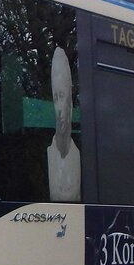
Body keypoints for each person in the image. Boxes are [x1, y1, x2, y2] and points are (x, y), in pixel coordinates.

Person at [47, 46, 80, 201]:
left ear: (70, 102)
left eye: (62, 95)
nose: (59, 107)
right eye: (55, 98)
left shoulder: (78, 154)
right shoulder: (49, 153)